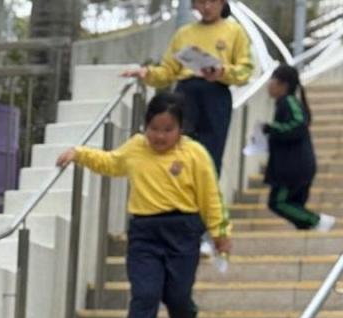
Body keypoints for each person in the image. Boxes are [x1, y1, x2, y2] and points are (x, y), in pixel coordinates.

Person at [57, 93, 231, 318]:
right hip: (145, 234)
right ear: (145, 126)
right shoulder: (136, 148)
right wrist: (79, 153)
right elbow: (110, 162)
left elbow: (210, 196)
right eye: (154, 129)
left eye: (168, 129)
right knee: (145, 294)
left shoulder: (195, 154)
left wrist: (220, 233)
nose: (160, 136)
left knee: (178, 296)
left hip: (183, 230)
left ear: (181, 129)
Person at [122, 0, 252, 177]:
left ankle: (207, 192)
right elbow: (168, 71)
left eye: (212, 1)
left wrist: (222, 71)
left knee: (210, 155)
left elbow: (245, 70)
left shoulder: (235, 32)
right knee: (177, 152)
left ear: (222, 3)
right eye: (201, 2)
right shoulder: (184, 34)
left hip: (216, 94)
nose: (207, 7)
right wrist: (147, 73)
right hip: (185, 95)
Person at [263, 64, 335, 233]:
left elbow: (298, 123)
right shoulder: (284, 103)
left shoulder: (288, 101)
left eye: (273, 80)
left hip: (293, 168)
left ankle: (316, 220)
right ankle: (308, 226)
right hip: (296, 166)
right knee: (293, 204)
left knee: (278, 202)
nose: (269, 85)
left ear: (283, 85)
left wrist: (272, 129)